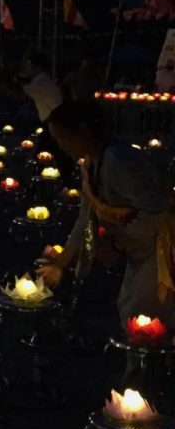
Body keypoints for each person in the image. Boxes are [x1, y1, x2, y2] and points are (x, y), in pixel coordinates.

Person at [38, 101, 175, 326]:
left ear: (83, 130)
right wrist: (61, 263)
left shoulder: (117, 160)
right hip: (141, 248)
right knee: (132, 309)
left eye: (62, 137)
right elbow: (85, 218)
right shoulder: (90, 164)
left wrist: (118, 245)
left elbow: (157, 207)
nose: (61, 146)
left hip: (161, 247)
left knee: (146, 315)